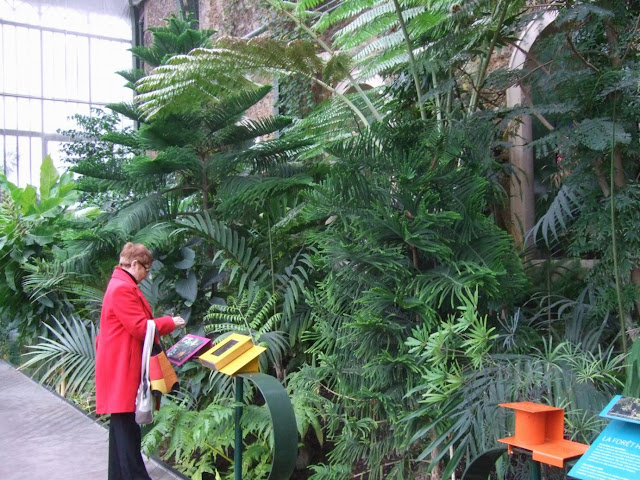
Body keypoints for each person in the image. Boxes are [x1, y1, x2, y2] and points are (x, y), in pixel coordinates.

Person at [95, 242, 186, 480]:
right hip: (121, 366)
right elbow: (138, 327)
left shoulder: (122, 284)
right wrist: (169, 322)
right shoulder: (122, 288)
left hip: (119, 363)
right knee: (126, 427)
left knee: (122, 426)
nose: (147, 274)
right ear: (134, 264)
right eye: (146, 268)